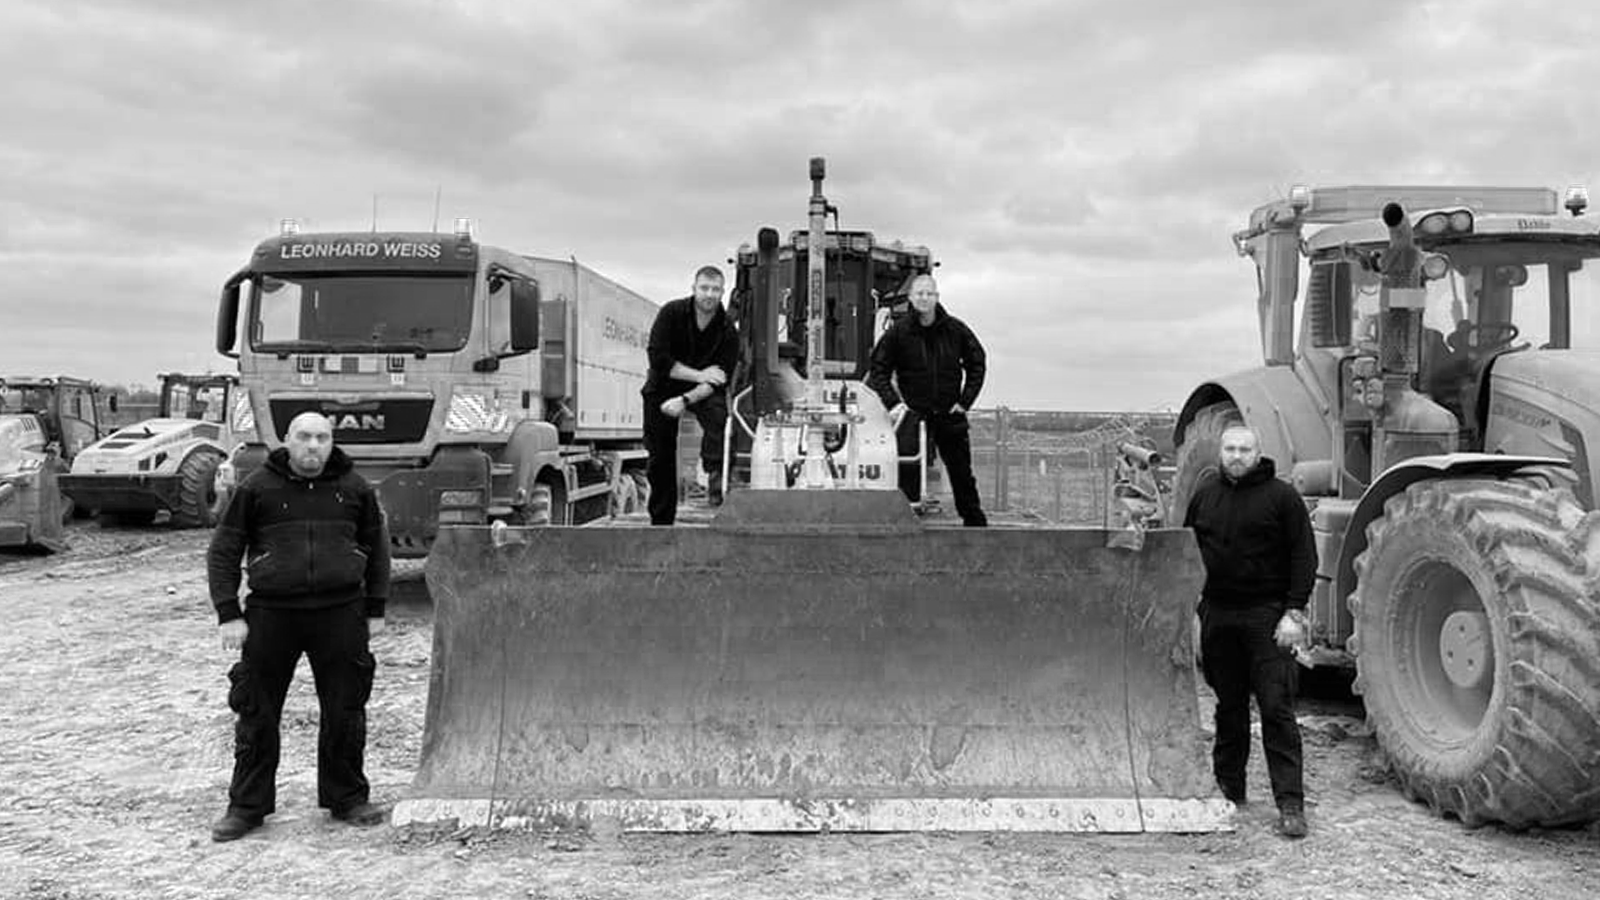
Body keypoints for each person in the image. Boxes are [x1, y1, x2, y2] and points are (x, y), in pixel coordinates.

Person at [205, 411, 391, 842]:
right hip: (272, 613)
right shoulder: (256, 488)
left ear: (331, 442)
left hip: (341, 612)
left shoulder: (355, 489)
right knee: (256, 711)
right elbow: (224, 549)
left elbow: (377, 549)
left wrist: (376, 608)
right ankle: (247, 807)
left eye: (322, 438)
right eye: (304, 436)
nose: (313, 446)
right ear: (287, 439)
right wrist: (228, 613)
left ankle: (347, 798)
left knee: (346, 710)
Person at [1183, 422, 1317, 839]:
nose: (1237, 456)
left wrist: (1293, 613)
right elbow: (1187, 550)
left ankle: (1290, 803)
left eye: (1244, 449)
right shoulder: (1205, 496)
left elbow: (1304, 556)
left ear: (1258, 454)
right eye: (1230, 449)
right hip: (1218, 614)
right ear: (1220, 453)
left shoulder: (1283, 498)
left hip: (1267, 616)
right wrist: (1193, 607)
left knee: (1276, 708)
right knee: (1229, 707)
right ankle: (1229, 789)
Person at [865, 273, 988, 527]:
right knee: (906, 468)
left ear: (937, 297)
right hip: (914, 413)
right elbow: (879, 368)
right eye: (919, 293)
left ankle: (975, 524)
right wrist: (894, 404)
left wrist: (964, 402)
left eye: (929, 293)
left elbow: (977, 362)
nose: (924, 298)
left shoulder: (956, 330)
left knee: (961, 472)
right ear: (911, 297)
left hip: (949, 412)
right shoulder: (899, 333)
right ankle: (904, 522)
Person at [642, 265, 739, 525]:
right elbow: (658, 359)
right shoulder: (671, 313)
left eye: (715, 289)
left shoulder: (728, 330)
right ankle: (662, 523)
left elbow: (718, 381)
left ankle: (716, 480)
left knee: (720, 417)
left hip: (701, 392)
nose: (709, 294)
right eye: (704, 288)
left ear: (722, 292)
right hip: (662, 386)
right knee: (660, 457)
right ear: (694, 289)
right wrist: (700, 375)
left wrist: (685, 400)